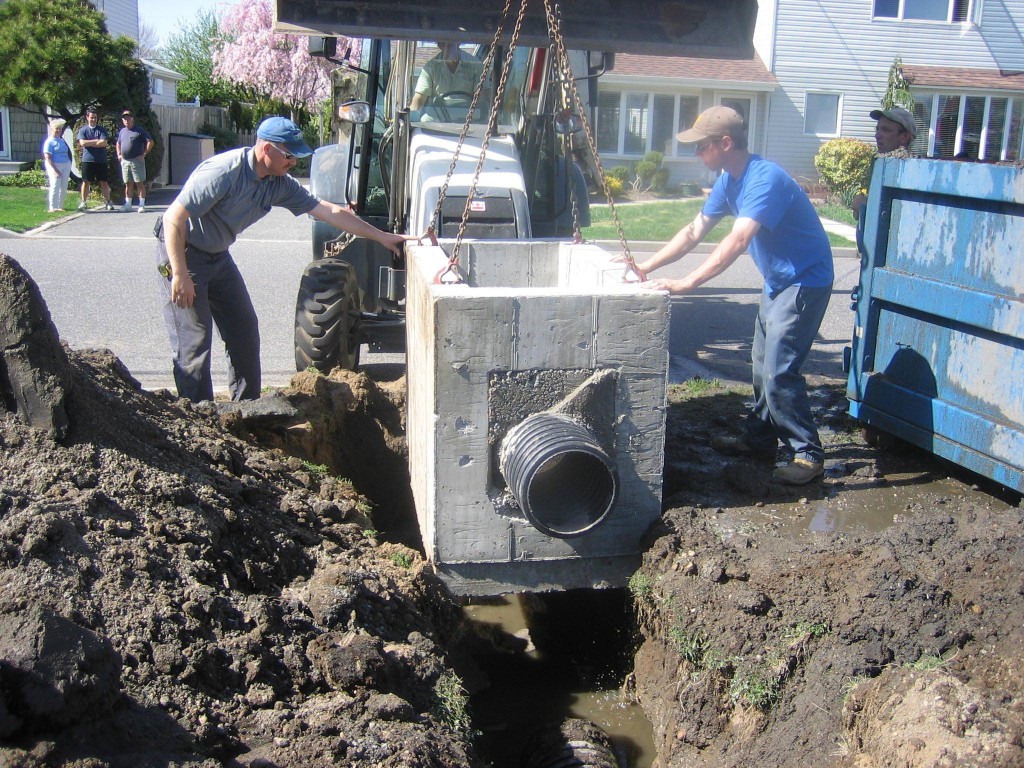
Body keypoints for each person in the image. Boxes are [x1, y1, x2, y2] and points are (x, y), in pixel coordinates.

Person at [636, 106, 834, 485]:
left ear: (725, 143)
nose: (697, 154)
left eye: (701, 147)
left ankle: (808, 454)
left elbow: (738, 240)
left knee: (778, 371)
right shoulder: (730, 180)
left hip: (805, 281)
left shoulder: (765, 179)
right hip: (779, 281)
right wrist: (647, 266)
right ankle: (759, 441)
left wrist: (687, 284)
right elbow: (695, 231)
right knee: (761, 367)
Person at [158, 116, 414, 402]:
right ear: (267, 149)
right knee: (194, 340)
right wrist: (179, 274)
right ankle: (198, 418)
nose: (294, 163)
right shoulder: (223, 173)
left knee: (243, 328)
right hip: (185, 251)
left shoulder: (278, 183)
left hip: (217, 255)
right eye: (290, 156)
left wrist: (381, 236)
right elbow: (173, 219)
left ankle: (248, 408)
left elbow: (329, 211)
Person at [851, 106, 917, 221]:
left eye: (886, 130)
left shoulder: (909, 168)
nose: (877, 135)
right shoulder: (880, 161)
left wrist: (865, 205)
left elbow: (895, 213)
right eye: (877, 129)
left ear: (905, 137)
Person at [409, 41, 489, 121]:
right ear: (439, 45)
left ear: (459, 42)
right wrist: (411, 122)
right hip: (438, 118)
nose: (448, 47)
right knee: (425, 120)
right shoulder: (430, 68)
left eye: (452, 43)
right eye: (444, 43)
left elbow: (482, 100)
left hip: (468, 118)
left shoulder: (475, 65)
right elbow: (419, 99)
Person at [77, 108, 114, 211]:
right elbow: (82, 143)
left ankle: (108, 202)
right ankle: (83, 202)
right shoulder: (83, 130)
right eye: (91, 117)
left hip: (101, 160)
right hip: (88, 160)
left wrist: (91, 143)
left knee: (104, 182)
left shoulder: (101, 130)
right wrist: (96, 141)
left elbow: (104, 143)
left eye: (95, 118)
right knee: (86, 181)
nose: (93, 119)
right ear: (87, 118)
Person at [116, 110, 154, 212]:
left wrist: (144, 154)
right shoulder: (122, 131)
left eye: (128, 118)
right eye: (124, 118)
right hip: (125, 161)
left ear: (132, 119)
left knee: (139, 182)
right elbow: (118, 143)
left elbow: (150, 141)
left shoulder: (139, 130)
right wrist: (119, 154)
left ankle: (141, 205)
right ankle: (128, 204)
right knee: (128, 183)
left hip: (137, 161)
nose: (126, 120)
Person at [42, 118, 73, 213]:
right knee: (55, 184)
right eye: (57, 128)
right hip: (54, 165)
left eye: (60, 128)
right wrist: (55, 169)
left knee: (64, 185)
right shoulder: (49, 141)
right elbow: (48, 157)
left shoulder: (61, 140)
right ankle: (52, 207)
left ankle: (60, 205)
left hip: (65, 163)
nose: (59, 130)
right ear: (52, 129)